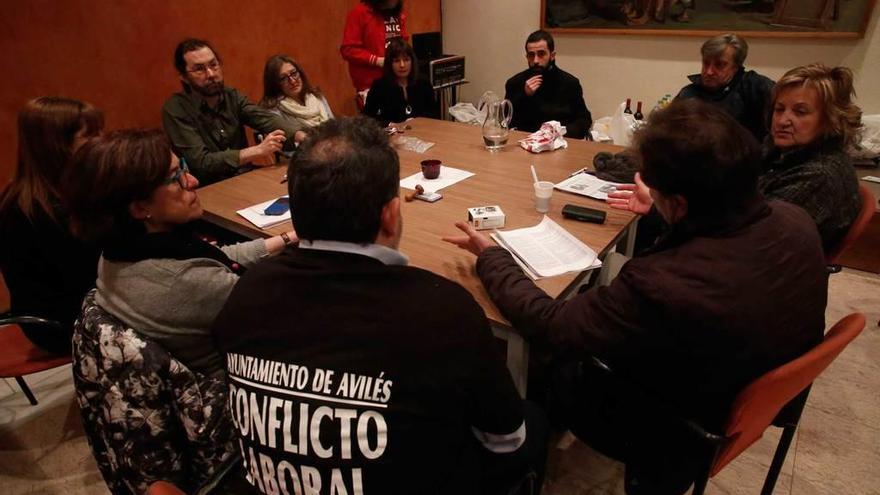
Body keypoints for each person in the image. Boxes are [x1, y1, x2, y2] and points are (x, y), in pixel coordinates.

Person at [446, 100, 828, 494]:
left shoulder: (660, 285)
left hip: (674, 427)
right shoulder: (794, 220)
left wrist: (493, 257)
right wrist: (667, 215)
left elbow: (550, 323)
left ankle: (530, 456)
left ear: (679, 201)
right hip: (745, 390)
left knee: (533, 357)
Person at [213, 117, 547, 494]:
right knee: (533, 420)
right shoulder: (444, 310)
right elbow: (505, 440)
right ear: (390, 214)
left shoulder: (246, 291)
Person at [63, 129, 296, 379]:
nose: (193, 180)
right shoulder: (187, 281)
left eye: (183, 167)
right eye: (176, 178)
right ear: (140, 208)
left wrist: (289, 237)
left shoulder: (119, 251)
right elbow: (290, 314)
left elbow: (221, 257)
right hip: (234, 388)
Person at [0, 97, 104, 354]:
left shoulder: (68, 189)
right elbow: (87, 275)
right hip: (57, 322)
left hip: (84, 301)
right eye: (90, 136)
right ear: (56, 146)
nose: (102, 142)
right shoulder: (31, 209)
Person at [162, 38, 307, 186]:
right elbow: (201, 162)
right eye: (199, 69)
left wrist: (301, 135)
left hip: (245, 177)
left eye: (213, 64)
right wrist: (257, 150)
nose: (211, 74)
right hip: (209, 188)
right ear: (184, 77)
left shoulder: (232, 96)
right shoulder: (176, 109)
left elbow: (264, 118)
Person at [760, 63, 862, 253]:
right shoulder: (781, 151)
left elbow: (754, 237)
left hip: (772, 272)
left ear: (830, 118)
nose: (782, 121)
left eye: (800, 112)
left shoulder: (820, 175)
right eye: (779, 109)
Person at [675, 33, 774, 142]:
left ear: (736, 67)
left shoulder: (755, 86)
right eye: (706, 63)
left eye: (719, 65)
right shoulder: (688, 94)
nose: (709, 72)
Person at [504, 30, 592, 139]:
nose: (536, 60)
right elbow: (505, 122)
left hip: (561, 142)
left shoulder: (570, 83)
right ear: (527, 57)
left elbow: (584, 120)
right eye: (531, 55)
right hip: (525, 143)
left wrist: (562, 133)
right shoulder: (515, 83)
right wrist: (524, 95)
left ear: (552, 55)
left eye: (541, 54)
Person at [340, 0, 409, 107]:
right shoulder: (359, 13)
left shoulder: (397, 13)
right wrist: (376, 60)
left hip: (397, 82)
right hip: (371, 85)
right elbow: (348, 49)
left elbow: (404, 43)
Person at [363, 38, 438, 126]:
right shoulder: (379, 85)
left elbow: (434, 113)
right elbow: (367, 119)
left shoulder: (423, 82)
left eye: (406, 60)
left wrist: (417, 121)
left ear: (412, 61)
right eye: (396, 61)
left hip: (422, 131)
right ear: (390, 64)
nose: (402, 65)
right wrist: (389, 124)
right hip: (393, 134)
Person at [259, 54, 333, 131]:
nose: (292, 81)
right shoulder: (274, 111)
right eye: (283, 78)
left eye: (294, 73)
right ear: (274, 84)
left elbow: (334, 127)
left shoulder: (317, 97)